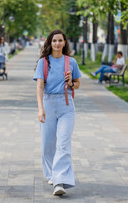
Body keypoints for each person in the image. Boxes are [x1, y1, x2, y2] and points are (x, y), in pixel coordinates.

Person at [33, 29, 81, 196]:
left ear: (64, 42)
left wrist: (70, 82)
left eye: (60, 40)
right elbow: (39, 86)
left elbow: (77, 84)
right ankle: (51, 174)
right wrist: (40, 108)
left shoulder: (71, 62)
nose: (57, 44)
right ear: (50, 43)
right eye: (54, 41)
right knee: (47, 144)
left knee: (63, 144)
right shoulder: (43, 62)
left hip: (66, 105)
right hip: (47, 103)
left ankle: (59, 180)